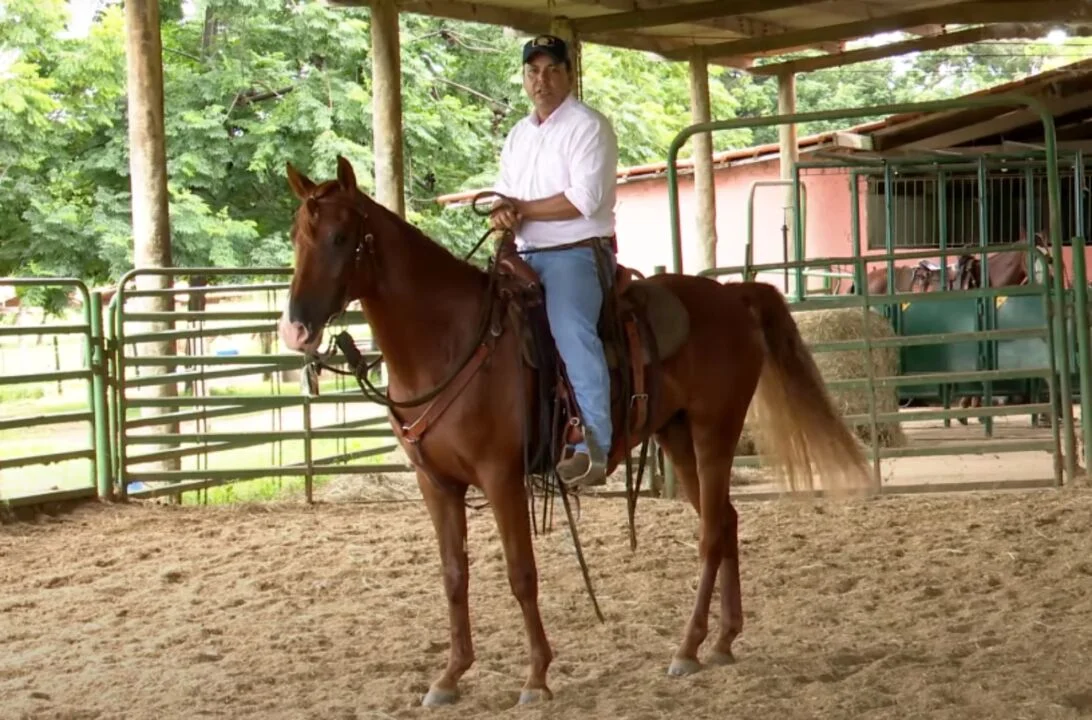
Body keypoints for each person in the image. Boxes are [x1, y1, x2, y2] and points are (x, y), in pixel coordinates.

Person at [489, 34, 619, 489]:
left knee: (571, 330)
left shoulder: (588, 126)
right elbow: (504, 192)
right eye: (532, 72)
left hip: (576, 252)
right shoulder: (519, 134)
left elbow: (583, 200)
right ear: (524, 78)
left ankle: (596, 446)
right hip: (523, 253)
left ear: (568, 74)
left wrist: (520, 209)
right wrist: (503, 210)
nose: (540, 80)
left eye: (551, 70)